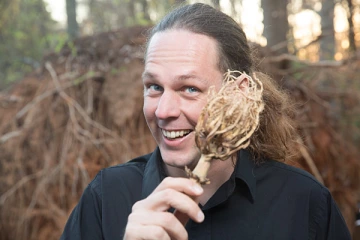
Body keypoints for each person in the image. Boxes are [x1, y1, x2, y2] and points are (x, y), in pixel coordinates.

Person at [60, 3, 351, 240]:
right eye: (154, 87)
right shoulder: (105, 199)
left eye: (189, 89)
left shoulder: (304, 204)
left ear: (239, 93)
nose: (163, 111)